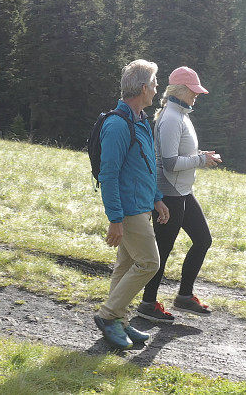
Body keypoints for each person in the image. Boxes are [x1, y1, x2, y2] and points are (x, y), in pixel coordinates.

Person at [94, 59, 171, 349]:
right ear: (142, 88)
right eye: (154, 83)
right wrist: (115, 218)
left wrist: (157, 200)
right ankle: (108, 315)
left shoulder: (140, 121)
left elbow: (145, 167)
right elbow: (109, 174)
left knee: (125, 266)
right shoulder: (117, 124)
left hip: (141, 205)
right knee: (150, 262)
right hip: (126, 210)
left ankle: (120, 322)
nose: (156, 88)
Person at [136, 66, 221, 323]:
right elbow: (171, 163)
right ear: (181, 91)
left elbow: (179, 156)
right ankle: (148, 303)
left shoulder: (181, 114)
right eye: (193, 91)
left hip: (182, 192)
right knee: (162, 249)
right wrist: (201, 160)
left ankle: (184, 296)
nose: (197, 96)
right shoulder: (172, 118)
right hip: (170, 194)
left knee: (203, 239)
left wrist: (199, 157)